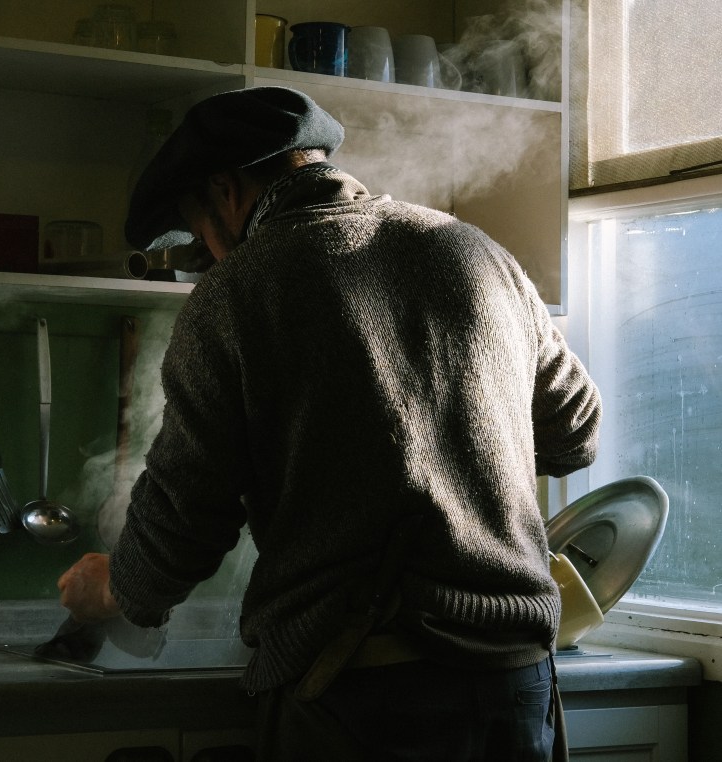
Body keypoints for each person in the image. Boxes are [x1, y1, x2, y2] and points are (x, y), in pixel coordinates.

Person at [58, 86, 601, 761]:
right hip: (516, 678)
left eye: (199, 229)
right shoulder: (478, 253)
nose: (207, 250)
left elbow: (186, 518)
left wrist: (114, 587)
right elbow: (576, 429)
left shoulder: (236, 295)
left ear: (226, 191)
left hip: (367, 694)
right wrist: (469, 448)